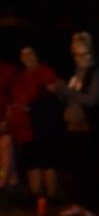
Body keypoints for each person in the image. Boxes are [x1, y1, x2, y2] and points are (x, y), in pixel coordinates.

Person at [50, 32, 99, 216]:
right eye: (76, 54)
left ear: (91, 52)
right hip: (73, 127)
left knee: (88, 168)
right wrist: (59, 91)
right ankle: (77, 203)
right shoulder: (77, 73)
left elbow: (91, 100)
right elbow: (71, 98)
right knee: (75, 168)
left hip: (89, 128)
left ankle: (90, 206)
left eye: (84, 54)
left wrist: (66, 91)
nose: (81, 58)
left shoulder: (98, 73)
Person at [6, 46, 61, 206]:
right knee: (31, 162)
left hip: (42, 125)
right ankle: (36, 195)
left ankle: (52, 195)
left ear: (36, 55)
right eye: (23, 54)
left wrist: (31, 108)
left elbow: (52, 98)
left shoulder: (45, 71)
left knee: (47, 162)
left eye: (30, 53)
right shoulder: (20, 76)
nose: (26, 57)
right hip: (24, 128)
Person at [0, 59, 19, 194]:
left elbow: (14, 96)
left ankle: (3, 184)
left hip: (5, 120)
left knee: (6, 147)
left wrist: (7, 119)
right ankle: (11, 183)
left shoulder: (7, 70)